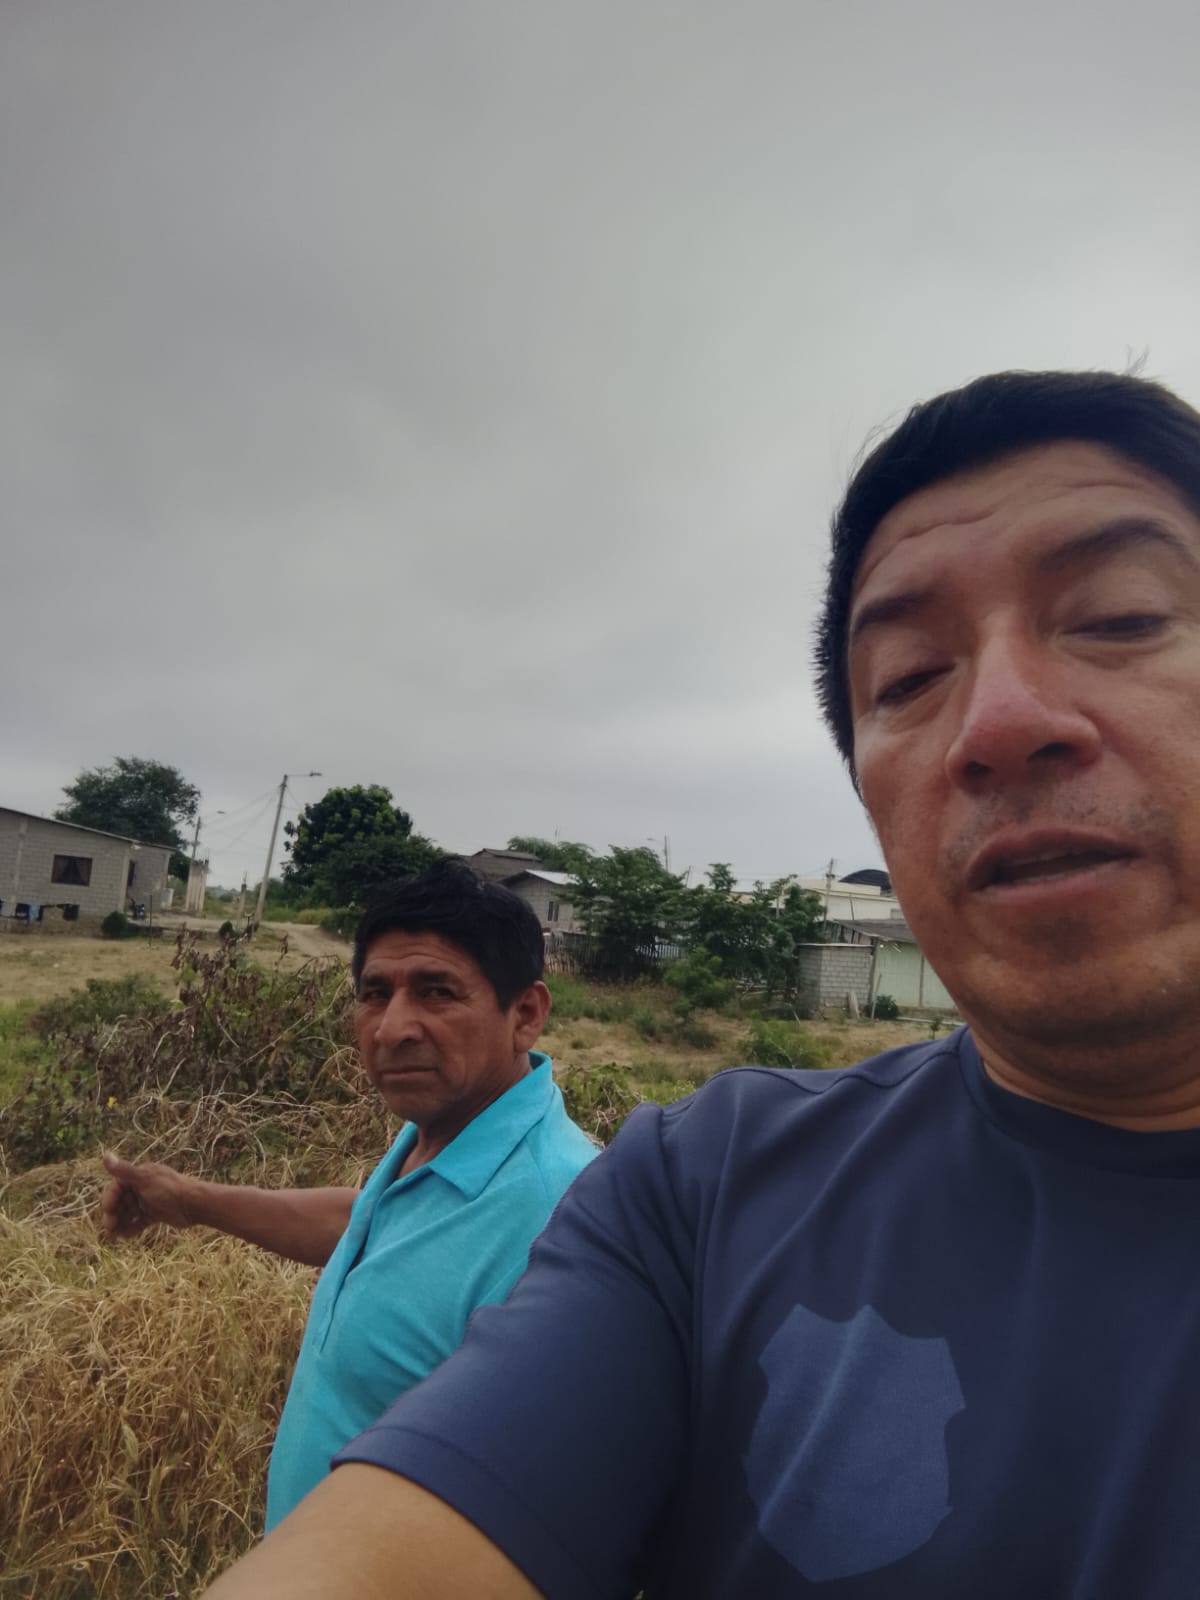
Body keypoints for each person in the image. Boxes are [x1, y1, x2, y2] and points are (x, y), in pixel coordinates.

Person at [207, 368, 1200, 1598]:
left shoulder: (563, 1190)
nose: (996, 719)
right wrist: (189, 1196)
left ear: (530, 1013)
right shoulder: (705, 1192)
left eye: (1120, 615)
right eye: (907, 678)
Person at [101, 860, 597, 1529]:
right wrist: (191, 1200)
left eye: (436, 991)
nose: (391, 1029)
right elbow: (375, 1225)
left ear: (526, 1014)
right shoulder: (448, 1133)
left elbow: (548, 1512)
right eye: (374, 993)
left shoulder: (564, 1217)